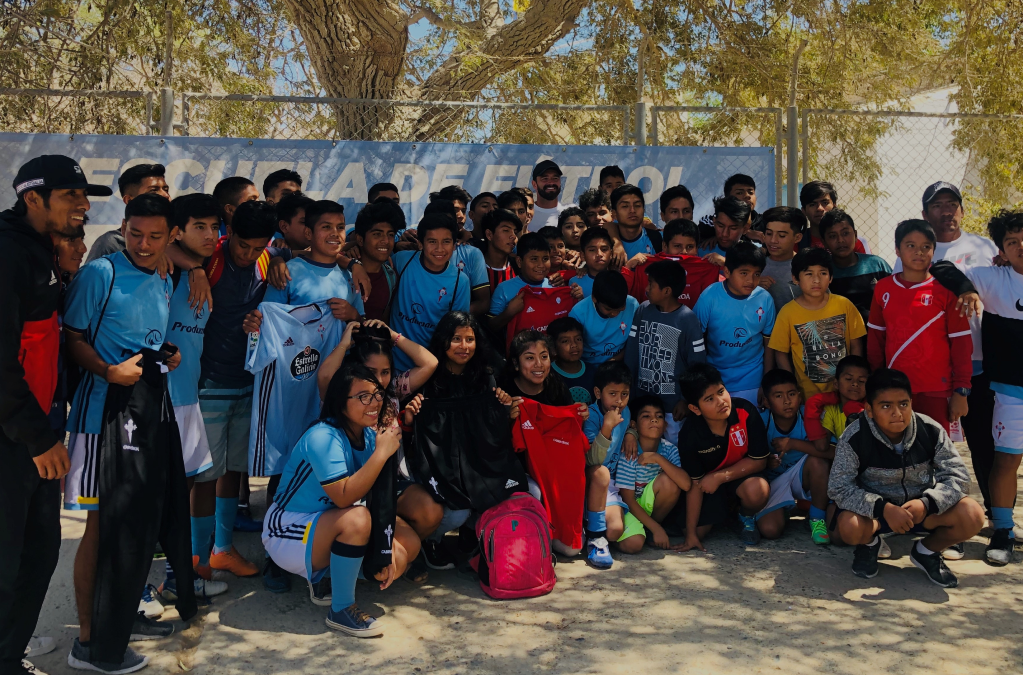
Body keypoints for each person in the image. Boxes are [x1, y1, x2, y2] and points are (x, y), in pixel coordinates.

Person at [64, 193, 183, 671]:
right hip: (99, 423)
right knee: (99, 528)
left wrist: (167, 353)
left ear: (170, 236)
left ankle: (118, 615)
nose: (144, 244)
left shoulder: (163, 275)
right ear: (123, 226)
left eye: (155, 236)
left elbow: (144, 341)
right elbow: (71, 339)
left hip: (142, 421)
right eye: (135, 233)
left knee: (132, 528)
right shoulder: (101, 273)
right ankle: (89, 643)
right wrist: (108, 373)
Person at [1, 155, 98, 675]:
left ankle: (9, 657)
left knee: (37, 557)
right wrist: (38, 438)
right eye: (70, 196)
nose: (83, 206)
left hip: (39, 434)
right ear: (32, 198)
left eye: (84, 196)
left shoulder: (43, 251)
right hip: (16, 440)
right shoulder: (8, 253)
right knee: (8, 562)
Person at [263, 362, 402, 636]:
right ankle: (341, 609)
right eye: (362, 397)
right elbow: (343, 498)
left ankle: (325, 579)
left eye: (376, 395)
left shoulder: (368, 436)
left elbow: (376, 498)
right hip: (286, 529)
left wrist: (386, 549)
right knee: (357, 520)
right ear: (340, 403)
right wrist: (381, 454)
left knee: (403, 547)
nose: (373, 403)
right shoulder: (323, 437)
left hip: (322, 525)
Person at [193, 200, 288, 580]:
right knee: (203, 475)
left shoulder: (268, 260)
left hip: (248, 383)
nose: (248, 255)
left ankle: (222, 549)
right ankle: (196, 560)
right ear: (228, 233)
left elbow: (287, 249)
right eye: (242, 246)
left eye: (257, 247)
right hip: (208, 383)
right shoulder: (209, 261)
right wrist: (196, 271)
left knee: (234, 471)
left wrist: (277, 257)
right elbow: (173, 250)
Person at [895, 182, 999, 514]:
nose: (946, 210)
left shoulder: (987, 249)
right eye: (937, 205)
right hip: (933, 372)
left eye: (952, 203)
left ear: (962, 210)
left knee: (986, 445)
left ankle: (1000, 518)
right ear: (925, 213)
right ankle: (934, 517)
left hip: (982, 363)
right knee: (933, 449)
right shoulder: (913, 254)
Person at [827, 368, 984, 587]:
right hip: (876, 516)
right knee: (849, 527)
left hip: (920, 512)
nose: (897, 413)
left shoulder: (930, 430)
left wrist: (927, 503)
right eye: (885, 406)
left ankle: (927, 551)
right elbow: (839, 488)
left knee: (973, 514)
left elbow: (958, 477)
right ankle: (870, 545)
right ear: (869, 410)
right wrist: (883, 509)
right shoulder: (854, 437)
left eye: (903, 404)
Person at [159, 194, 229, 601]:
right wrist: (194, 266)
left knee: (181, 492)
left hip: (188, 400)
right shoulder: (163, 268)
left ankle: (176, 578)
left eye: (213, 227)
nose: (209, 234)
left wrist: (199, 268)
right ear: (178, 231)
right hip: (159, 400)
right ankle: (143, 587)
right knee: (159, 495)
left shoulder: (204, 266)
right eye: (198, 226)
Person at [956, 209, 1023, 565]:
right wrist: (967, 290)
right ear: (1002, 250)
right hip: (1012, 389)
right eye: (1012, 241)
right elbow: (945, 272)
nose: (1021, 245)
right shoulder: (992, 278)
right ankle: (1003, 531)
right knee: (1006, 460)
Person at [867, 219, 971, 434]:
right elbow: (876, 340)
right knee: (897, 452)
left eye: (926, 247)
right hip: (895, 389)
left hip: (937, 390)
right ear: (897, 249)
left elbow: (961, 343)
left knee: (936, 452)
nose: (919, 252)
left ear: (934, 250)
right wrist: (875, 382)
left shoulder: (947, 291)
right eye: (910, 245)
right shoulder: (883, 288)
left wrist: (961, 391)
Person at [676, 364, 772, 549]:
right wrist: (690, 534)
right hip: (708, 488)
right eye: (709, 399)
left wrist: (720, 477)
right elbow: (695, 484)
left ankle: (745, 515)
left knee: (758, 490)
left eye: (721, 391)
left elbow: (760, 461)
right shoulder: (689, 434)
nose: (721, 401)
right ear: (695, 409)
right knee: (697, 533)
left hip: (741, 478)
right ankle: (726, 512)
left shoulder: (745, 411)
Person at [768, 247, 867, 402]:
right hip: (808, 397)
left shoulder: (844, 305)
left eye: (823, 273)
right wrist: (792, 386)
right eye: (809, 274)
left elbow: (856, 345)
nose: (816, 280)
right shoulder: (787, 313)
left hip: (845, 395)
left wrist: (853, 382)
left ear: (831, 277)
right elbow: (780, 352)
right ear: (795, 278)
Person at [625, 259, 706, 441]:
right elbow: (632, 353)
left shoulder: (688, 320)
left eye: (651, 285)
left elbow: (697, 365)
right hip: (642, 401)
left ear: (667, 291)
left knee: (673, 453)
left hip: (672, 407)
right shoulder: (643, 311)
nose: (646, 289)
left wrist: (686, 400)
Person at [754, 369, 834, 544]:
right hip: (772, 483)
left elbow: (834, 452)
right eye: (778, 396)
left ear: (799, 395)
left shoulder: (810, 415)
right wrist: (765, 462)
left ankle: (816, 517)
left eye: (791, 394)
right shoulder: (760, 420)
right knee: (770, 530)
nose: (787, 401)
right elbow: (749, 457)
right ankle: (788, 507)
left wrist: (793, 444)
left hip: (803, 477)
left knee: (818, 462)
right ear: (766, 402)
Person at [694, 242, 776, 405]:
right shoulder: (709, 296)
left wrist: (765, 383)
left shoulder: (765, 298)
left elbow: (769, 343)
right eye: (744, 273)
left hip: (752, 377)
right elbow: (696, 340)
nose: (751, 280)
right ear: (727, 272)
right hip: (715, 377)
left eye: (756, 274)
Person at [390, 214, 471, 371]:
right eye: (432, 241)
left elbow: (457, 330)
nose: (439, 249)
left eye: (446, 242)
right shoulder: (402, 261)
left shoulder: (460, 281)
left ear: (454, 245)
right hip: (392, 362)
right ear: (420, 244)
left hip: (429, 368)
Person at [614, 395, 691, 553]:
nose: (654, 420)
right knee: (633, 545)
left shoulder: (669, 449)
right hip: (629, 508)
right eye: (646, 416)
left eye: (659, 416)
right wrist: (657, 529)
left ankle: (649, 529)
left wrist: (657, 458)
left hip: (649, 507)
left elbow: (686, 484)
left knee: (669, 481)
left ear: (665, 426)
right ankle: (640, 531)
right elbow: (628, 499)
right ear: (634, 425)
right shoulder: (629, 451)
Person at [580, 361, 633, 568]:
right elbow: (592, 460)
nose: (619, 401)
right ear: (598, 392)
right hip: (589, 482)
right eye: (613, 394)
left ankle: (591, 525)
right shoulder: (591, 416)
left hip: (610, 488)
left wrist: (631, 432)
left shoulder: (625, 412)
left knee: (615, 531)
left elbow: (631, 423)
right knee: (601, 472)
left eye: (625, 394)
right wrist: (607, 428)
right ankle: (594, 538)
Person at [86, 163, 171, 262]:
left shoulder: (182, 239)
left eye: (166, 189)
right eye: (153, 191)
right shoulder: (111, 243)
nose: (165, 195)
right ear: (129, 200)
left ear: (173, 235)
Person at [822, 209, 891, 320]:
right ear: (824, 242)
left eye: (845, 233)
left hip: (877, 333)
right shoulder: (822, 272)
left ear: (855, 235)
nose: (840, 240)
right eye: (832, 236)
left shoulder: (877, 265)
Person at [569, 270, 639, 366]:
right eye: (608, 309)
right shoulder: (578, 314)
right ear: (594, 298)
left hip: (619, 363)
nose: (615, 314)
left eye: (621, 308)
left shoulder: (633, 305)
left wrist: (613, 361)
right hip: (588, 366)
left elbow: (634, 343)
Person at [349, 199, 403, 322]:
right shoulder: (343, 271)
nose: (385, 241)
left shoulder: (391, 276)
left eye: (390, 234)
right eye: (377, 234)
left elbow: (383, 319)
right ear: (360, 240)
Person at [799, 180, 871, 253]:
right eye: (812, 204)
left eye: (825, 203)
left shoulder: (855, 242)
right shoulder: (796, 242)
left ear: (834, 205)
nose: (819, 208)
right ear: (804, 211)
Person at [759, 206, 806, 310]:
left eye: (781, 236)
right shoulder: (755, 264)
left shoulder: (807, 267)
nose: (773, 240)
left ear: (797, 237)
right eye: (769, 233)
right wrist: (753, 283)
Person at [549, 317, 595, 405]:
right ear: (553, 348)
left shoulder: (592, 371)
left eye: (578, 339)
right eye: (565, 341)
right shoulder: (549, 374)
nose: (574, 345)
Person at [610, 184, 661, 261]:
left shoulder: (660, 239)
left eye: (637, 205)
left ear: (644, 211)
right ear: (614, 214)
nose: (632, 210)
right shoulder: (606, 244)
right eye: (625, 206)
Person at [698, 195, 751, 266]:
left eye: (733, 228)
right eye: (720, 226)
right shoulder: (700, 251)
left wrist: (726, 264)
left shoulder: (751, 255)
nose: (725, 234)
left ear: (745, 229)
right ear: (714, 222)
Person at [480, 208, 520, 293]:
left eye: (515, 232)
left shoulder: (520, 267)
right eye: (506, 230)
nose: (513, 236)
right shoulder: (473, 268)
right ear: (489, 234)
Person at [569, 226, 614, 298]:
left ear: (611, 254)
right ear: (583, 255)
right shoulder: (575, 282)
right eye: (592, 250)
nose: (599, 254)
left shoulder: (618, 280)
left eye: (604, 249)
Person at [530, 160, 571, 231]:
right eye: (545, 179)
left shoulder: (571, 213)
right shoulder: (527, 215)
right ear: (534, 184)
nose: (551, 183)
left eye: (555, 178)